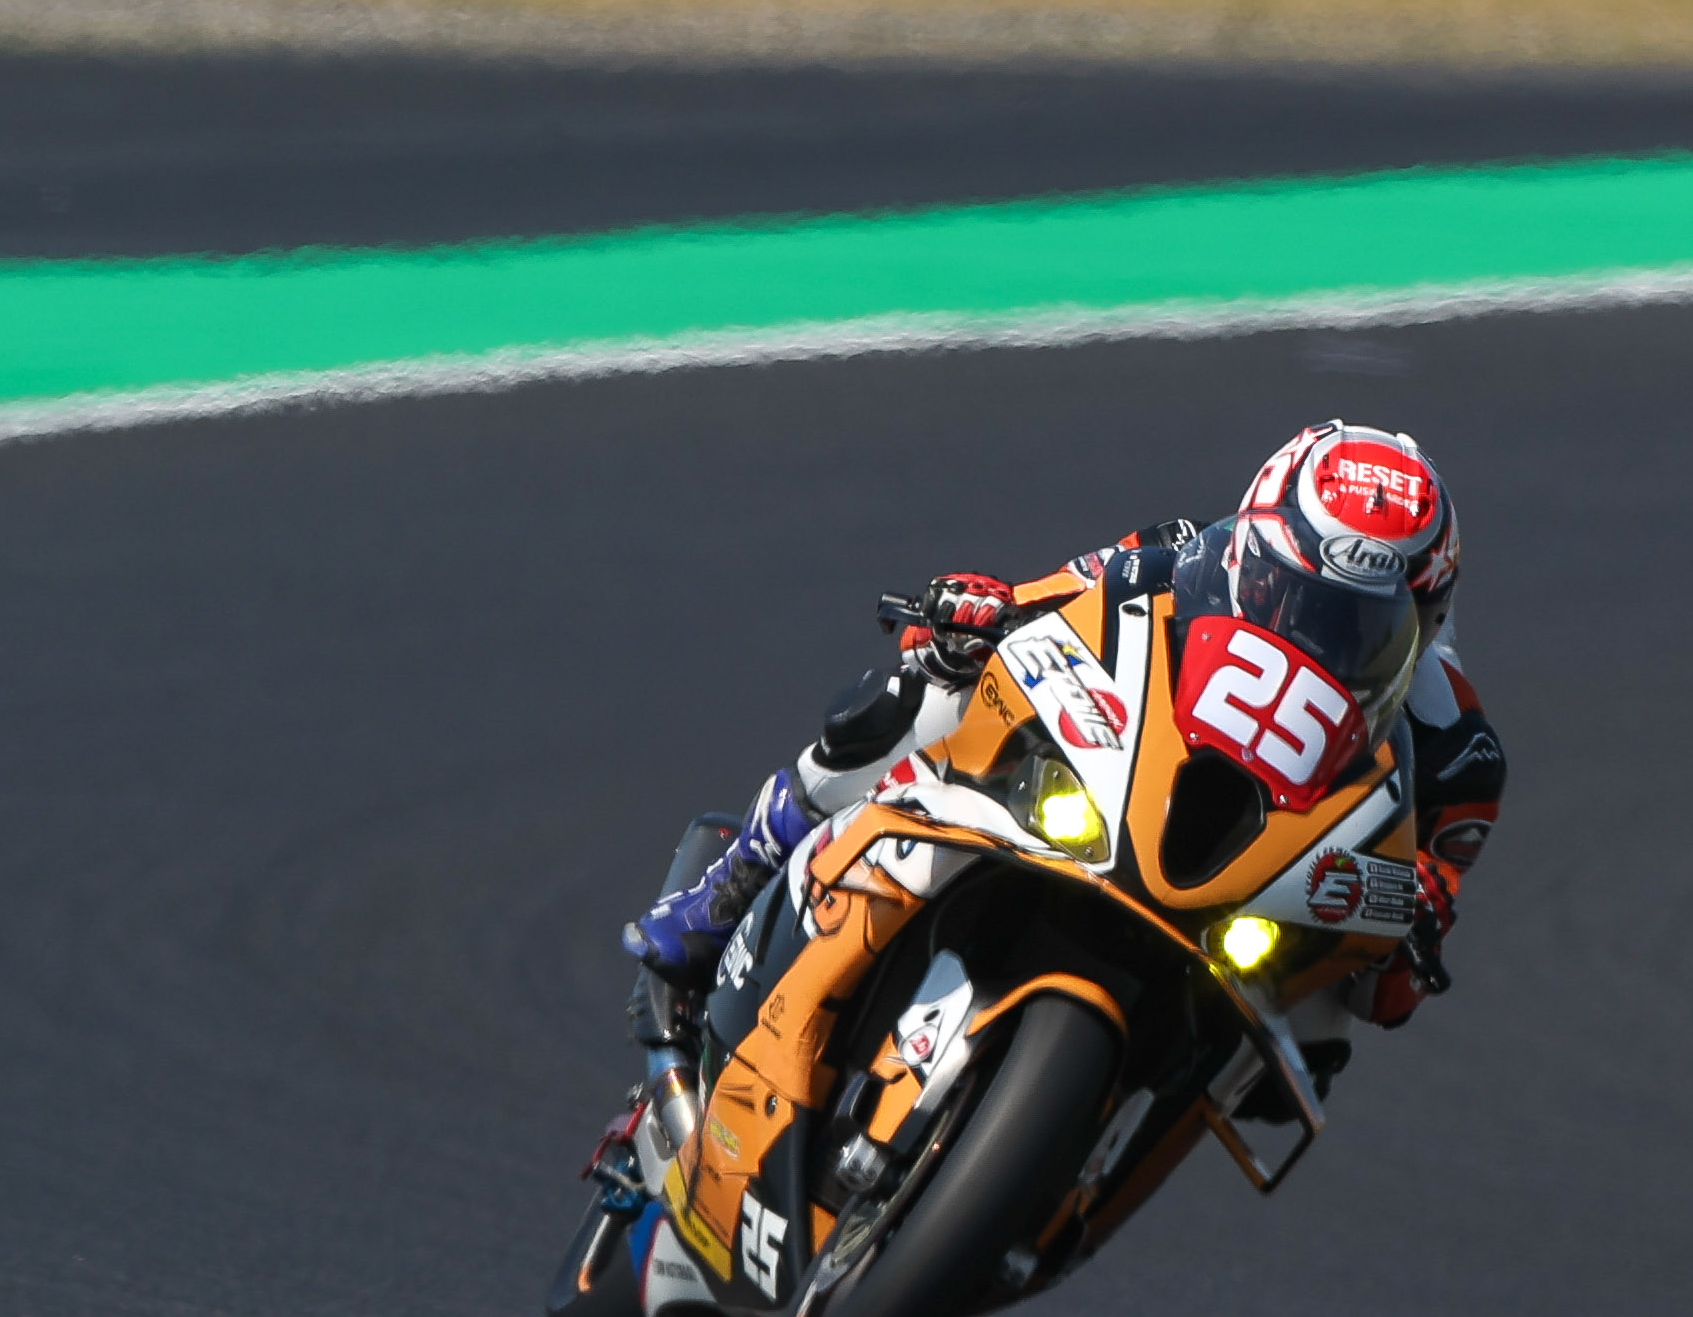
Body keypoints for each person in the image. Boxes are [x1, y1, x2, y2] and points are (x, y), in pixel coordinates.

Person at [615, 417, 1504, 1050]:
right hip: (1125, 793)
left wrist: (1420, 911)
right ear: (1249, 543)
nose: (1316, 629)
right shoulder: (1183, 552)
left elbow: (1392, 995)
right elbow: (1053, 598)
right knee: (933, 684)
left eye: (1360, 626)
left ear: (1424, 624)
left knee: (1319, 1030)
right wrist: (978, 613)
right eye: (1297, 591)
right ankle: (738, 882)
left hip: (1250, 913)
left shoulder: (1458, 751)